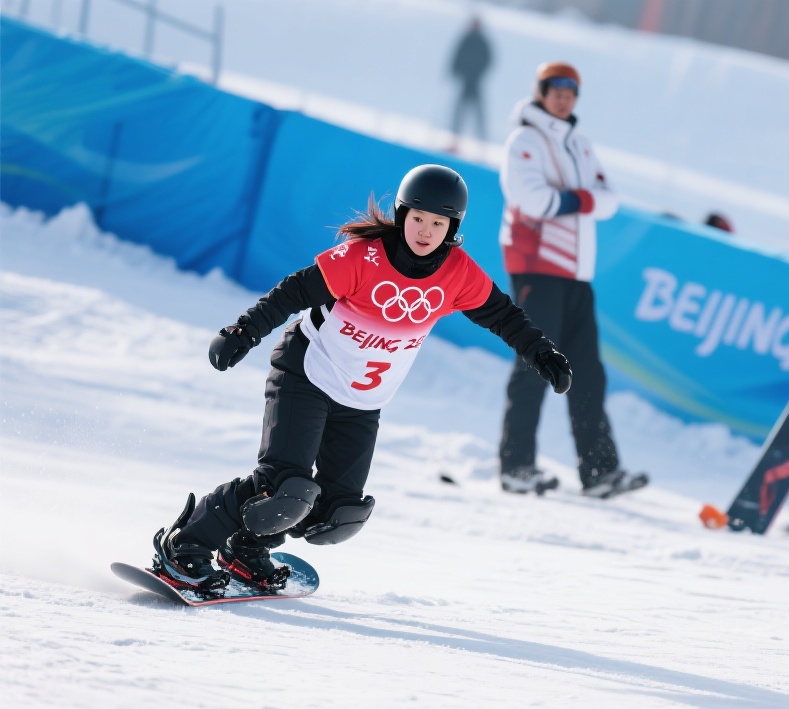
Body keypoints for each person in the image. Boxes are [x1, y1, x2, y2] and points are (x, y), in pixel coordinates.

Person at [152, 164, 573, 592]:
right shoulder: (364, 258)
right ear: (403, 215)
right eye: (418, 219)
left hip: (362, 400)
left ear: (452, 227)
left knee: (340, 514)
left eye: (438, 223)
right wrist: (243, 332)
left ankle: (247, 548)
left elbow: (504, 316)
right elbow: (294, 291)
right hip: (308, 373)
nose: (426, 231)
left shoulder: (458, 273)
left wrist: (541, 352)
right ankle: (185, 545)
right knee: (286, 488)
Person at [497, 61, 647, 499]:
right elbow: (533, 199)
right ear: (540, 91)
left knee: (588, 375)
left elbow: (611, 201)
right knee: (532, 367)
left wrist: (573, 198)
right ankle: (516, 467)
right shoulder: (524, 139)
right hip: (536, 268)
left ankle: (600, 472)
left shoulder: (579, 142)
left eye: (571, 90)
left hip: (577, 274)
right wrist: (583, 197)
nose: (564, 96)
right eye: (555, 88)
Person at [449, 17, 492, 142]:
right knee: (460, 108)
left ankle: (481, 136)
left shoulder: (482, 41)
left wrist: (478, 73)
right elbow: (457, 55)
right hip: (465, 79)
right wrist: (456, 70)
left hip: (475, 81)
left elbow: (487, 59)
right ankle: (455, 134)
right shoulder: (466, 39)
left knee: (477, 109)